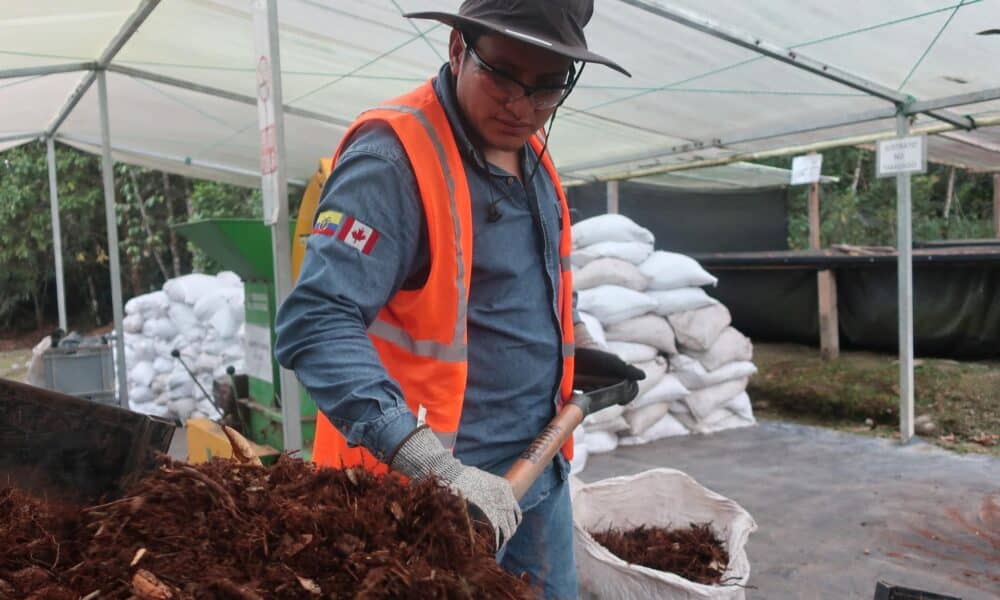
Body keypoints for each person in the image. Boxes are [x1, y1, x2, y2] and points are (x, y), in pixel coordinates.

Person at [274, 1, 639, 597]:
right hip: (423, 509)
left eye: (547, 86)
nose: (521, 105)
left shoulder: (533, 152)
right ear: (457, 48)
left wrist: (572, 350)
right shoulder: (391, 160)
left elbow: (528, 284)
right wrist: (433, 467)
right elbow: (316, 322)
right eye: (502, 75)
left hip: (535, 476)